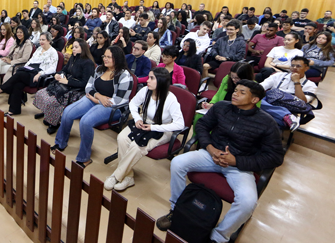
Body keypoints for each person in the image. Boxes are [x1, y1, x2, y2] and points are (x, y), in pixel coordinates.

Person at [156, 80, 284, 243]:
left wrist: (236, 161)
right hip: (211, 155)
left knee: (248, 201)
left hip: (239, 167)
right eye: (235, 90)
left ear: (254, 100)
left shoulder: (267, 123)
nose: (235, 94)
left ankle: (219, 236)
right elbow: (202, 125)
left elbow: (275, 157)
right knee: (177, 163)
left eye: (241, 92)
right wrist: (210, 147)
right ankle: (177, 210)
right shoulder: (221, 107)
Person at [52, 46, 134, 168]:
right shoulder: (100, 70)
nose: (105, 59)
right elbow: (88, 87)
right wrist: (98, 96)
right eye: (104, 56)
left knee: (85, 122)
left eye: (108, 57)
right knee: (68, 112)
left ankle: (84, 158)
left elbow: (120, 100)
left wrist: (97, 100)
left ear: (117, 58)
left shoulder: (124, 76)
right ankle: (60, 143)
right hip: (95, 99)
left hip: (112, 107)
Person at [104, 68, 184, 191]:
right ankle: (128, 177)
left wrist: (153, 127)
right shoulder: (146, 90)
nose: (148, 80)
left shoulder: (170, 99)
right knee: (121, 138)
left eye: (152, 78)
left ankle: (116, 176)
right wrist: (137, 119)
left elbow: (180, 124)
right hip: (143, 122)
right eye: (148, 77)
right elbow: (133, 104)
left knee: (137, 146)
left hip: (161, 129)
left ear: (161, 81)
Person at [0, 32, 59, 115]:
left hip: (39, 76)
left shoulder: (53, 52)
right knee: (17, 83)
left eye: (43, 40)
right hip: (30, 71)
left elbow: (53, 69)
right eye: (40, 40)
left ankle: (1, 89)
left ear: (49, 41)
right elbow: (31, 61)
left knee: (19, 75)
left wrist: (40, 74)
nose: (41, 42)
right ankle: (14, 110)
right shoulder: (39, 49)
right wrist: (25, 68)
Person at [34, 39, 96, 134]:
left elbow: (85, 83)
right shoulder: (73, 58)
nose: (73, 49)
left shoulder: (88, 63)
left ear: (83, 49)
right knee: (41, 93)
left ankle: (54, 123)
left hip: (78, 90)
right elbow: (64, 70)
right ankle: (48, 114)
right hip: (67, 85)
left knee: (53, 101)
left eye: (76, 47)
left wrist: (67, 82)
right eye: (73, 47)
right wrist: (58, 74)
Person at [260, 56, 317, 129]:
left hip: (290, 109)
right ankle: (286, 116)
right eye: (292, 65)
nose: (294, 68)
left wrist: (297, 82)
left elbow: (303, 102)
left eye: (298, 66)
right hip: (269, 105)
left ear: (306, 68)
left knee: (271, 122)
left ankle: (287, 117)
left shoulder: (310, 85)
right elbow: (260, 87)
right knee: (256, 100)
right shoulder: (278, 76)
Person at [0, 26, 33, 92]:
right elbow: (11, 53)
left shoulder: (28, 43)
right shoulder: (16, 41)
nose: (19, 34)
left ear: (25, 33)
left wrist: (11, 61)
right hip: (10, 61)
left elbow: (25, 59)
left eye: (21, 32)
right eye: (17, 32)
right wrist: (7, 58)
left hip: (18, 65)